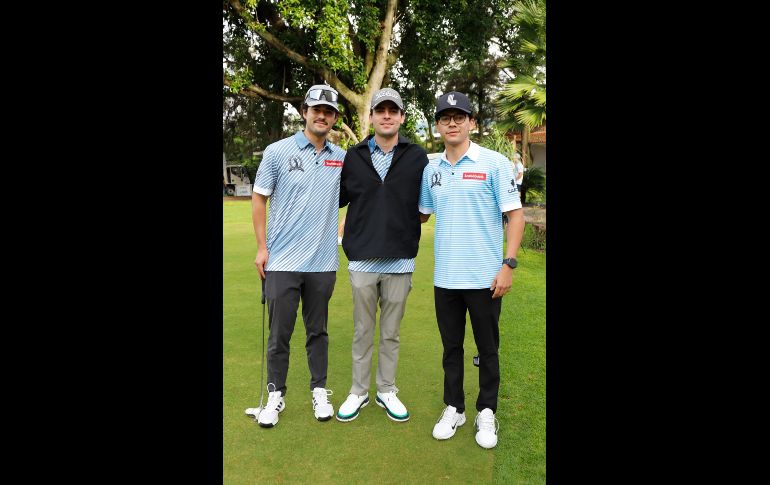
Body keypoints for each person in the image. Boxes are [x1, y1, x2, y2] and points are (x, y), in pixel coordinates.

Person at [418, 91, 525, 449]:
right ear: (437, 125)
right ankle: (455, 407)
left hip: (485, 277)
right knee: (451, 349)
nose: (452, 123)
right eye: (445, 117)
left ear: (471, 123)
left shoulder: (494, 163)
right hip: (446, 277)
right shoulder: (431, 170)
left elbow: (515, 216)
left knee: (487, 349)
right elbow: (421, 215)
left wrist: (508, 264)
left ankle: (487, 410)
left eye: (459, 117)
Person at [250, 84, 347, 428]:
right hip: (282, 262)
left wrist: (342, 228)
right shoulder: (277, 152)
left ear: (334, 118)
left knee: (317, 332)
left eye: (328, 111)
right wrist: (262, 247)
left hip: (323, 263)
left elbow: (361, 194)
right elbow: (259, 198)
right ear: (304, 111)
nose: (322, 116)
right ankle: (275, 395)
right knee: (279, 335)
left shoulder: (342, 158)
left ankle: (319, 391)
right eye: (316, 109)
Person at [336, 88, 429, 423]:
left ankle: (386, 389)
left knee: (390, 333)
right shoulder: (354, 156)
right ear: (372, 116)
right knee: (363, 330)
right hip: (362, 259)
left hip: (400, 260)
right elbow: (339, 198)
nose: (387, 116)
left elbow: (424, 210)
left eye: (393, 111)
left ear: (402, 117)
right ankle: (359, 391)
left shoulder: (417, 157)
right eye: (381, 110)